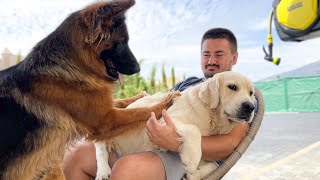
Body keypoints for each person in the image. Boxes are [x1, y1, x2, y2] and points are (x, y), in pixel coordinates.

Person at [63, 28, 249, 180]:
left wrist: (177, 142)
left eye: (219, 55)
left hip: (186, 158)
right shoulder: (187, 84)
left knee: (128, 169)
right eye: (206, 54)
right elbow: (159, 106)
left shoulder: (244, 95)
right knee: (74, 155)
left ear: (234, 58)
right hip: (145, 140)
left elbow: (230, 144)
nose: (211, 61)